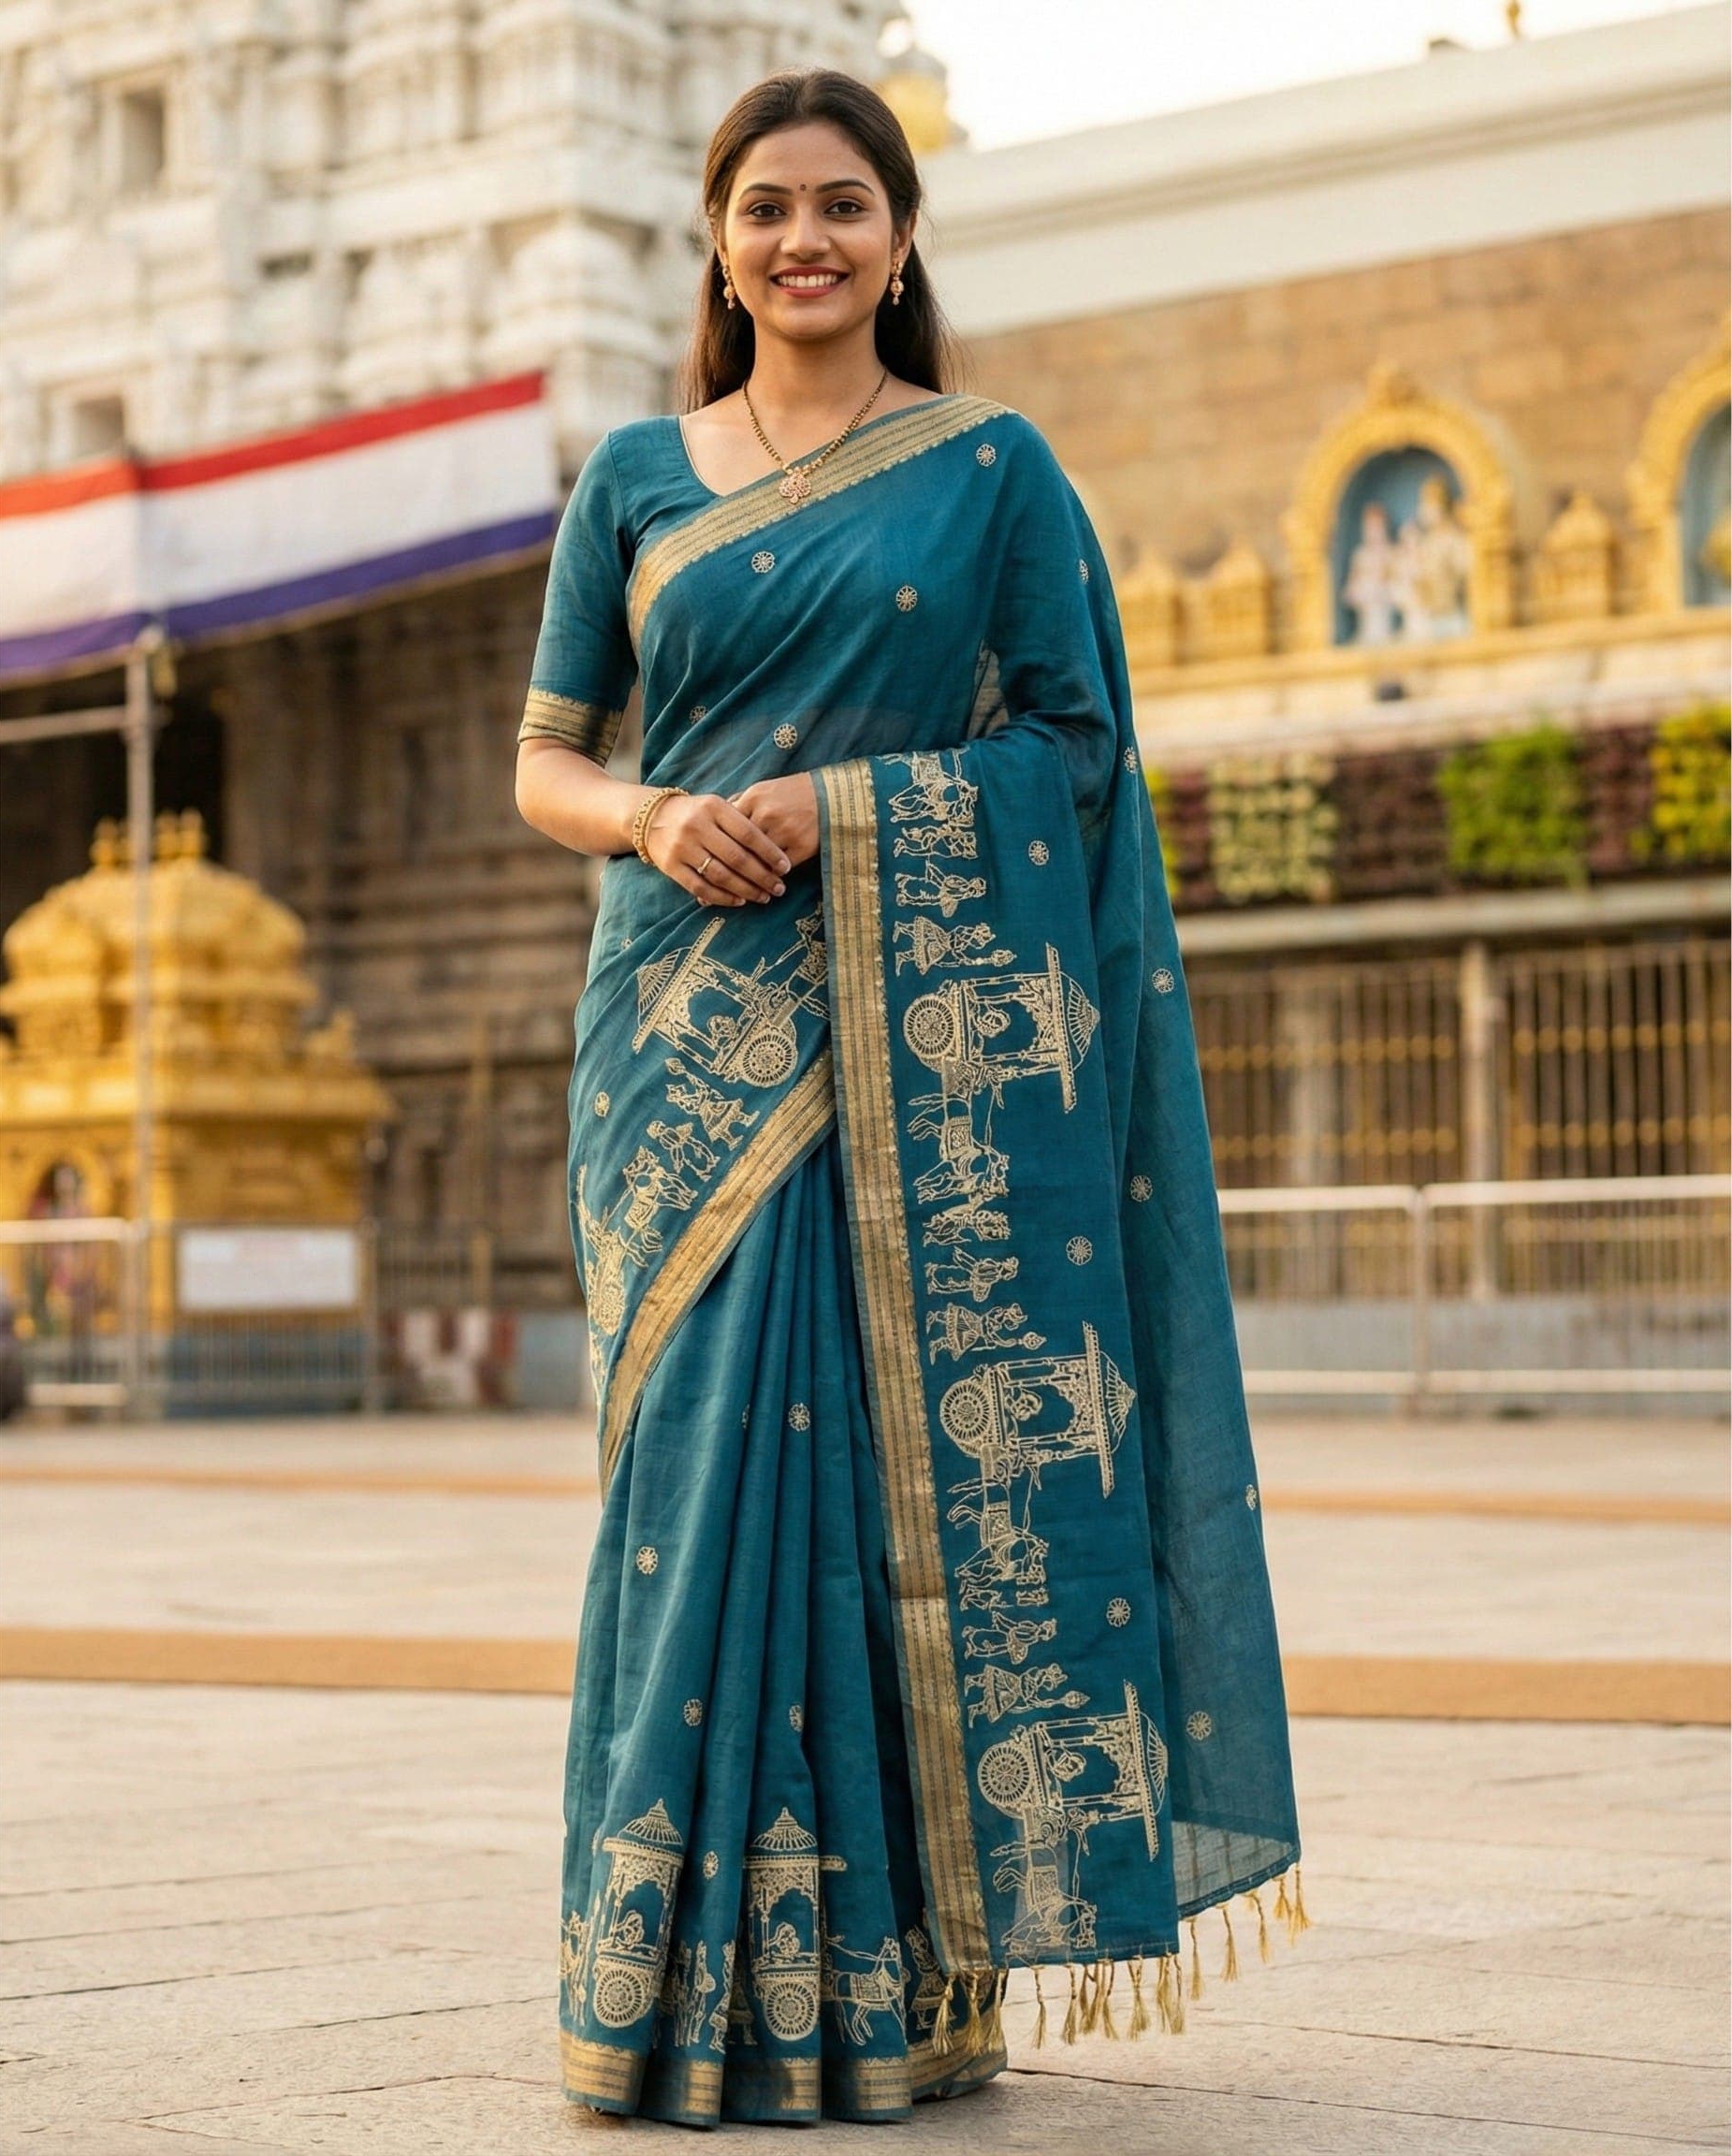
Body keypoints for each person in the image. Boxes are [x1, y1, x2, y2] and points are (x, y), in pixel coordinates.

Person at [514, 65, 1306, 2133]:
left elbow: (1075, 751)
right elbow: (548, 762)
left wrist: (840, 812)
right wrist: (664, 818)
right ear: (714, 237)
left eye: (843, 206)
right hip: (674, 1039)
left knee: (875, 1484)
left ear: (899, 235)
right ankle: (656, 1989)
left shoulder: (989, 473)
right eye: (766, 207)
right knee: (689, 1494)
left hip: (895, 1045)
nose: (803, 241)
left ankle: (887, 1997)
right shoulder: (631, 477)